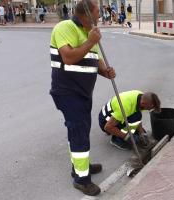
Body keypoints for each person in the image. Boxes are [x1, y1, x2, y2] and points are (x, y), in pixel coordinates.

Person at [50, 0, 116, 196]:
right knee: (78, 133)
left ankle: (80, 166)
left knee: (80, 131)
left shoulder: (89, 34)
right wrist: (90, 41)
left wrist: (106, 71)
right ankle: (81, 179)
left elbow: (94, 62)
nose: (99, 19)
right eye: (97, 15)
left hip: (83, 93)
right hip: (68, 92)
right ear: (85, 15)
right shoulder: (65, 27)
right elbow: (69, 57)